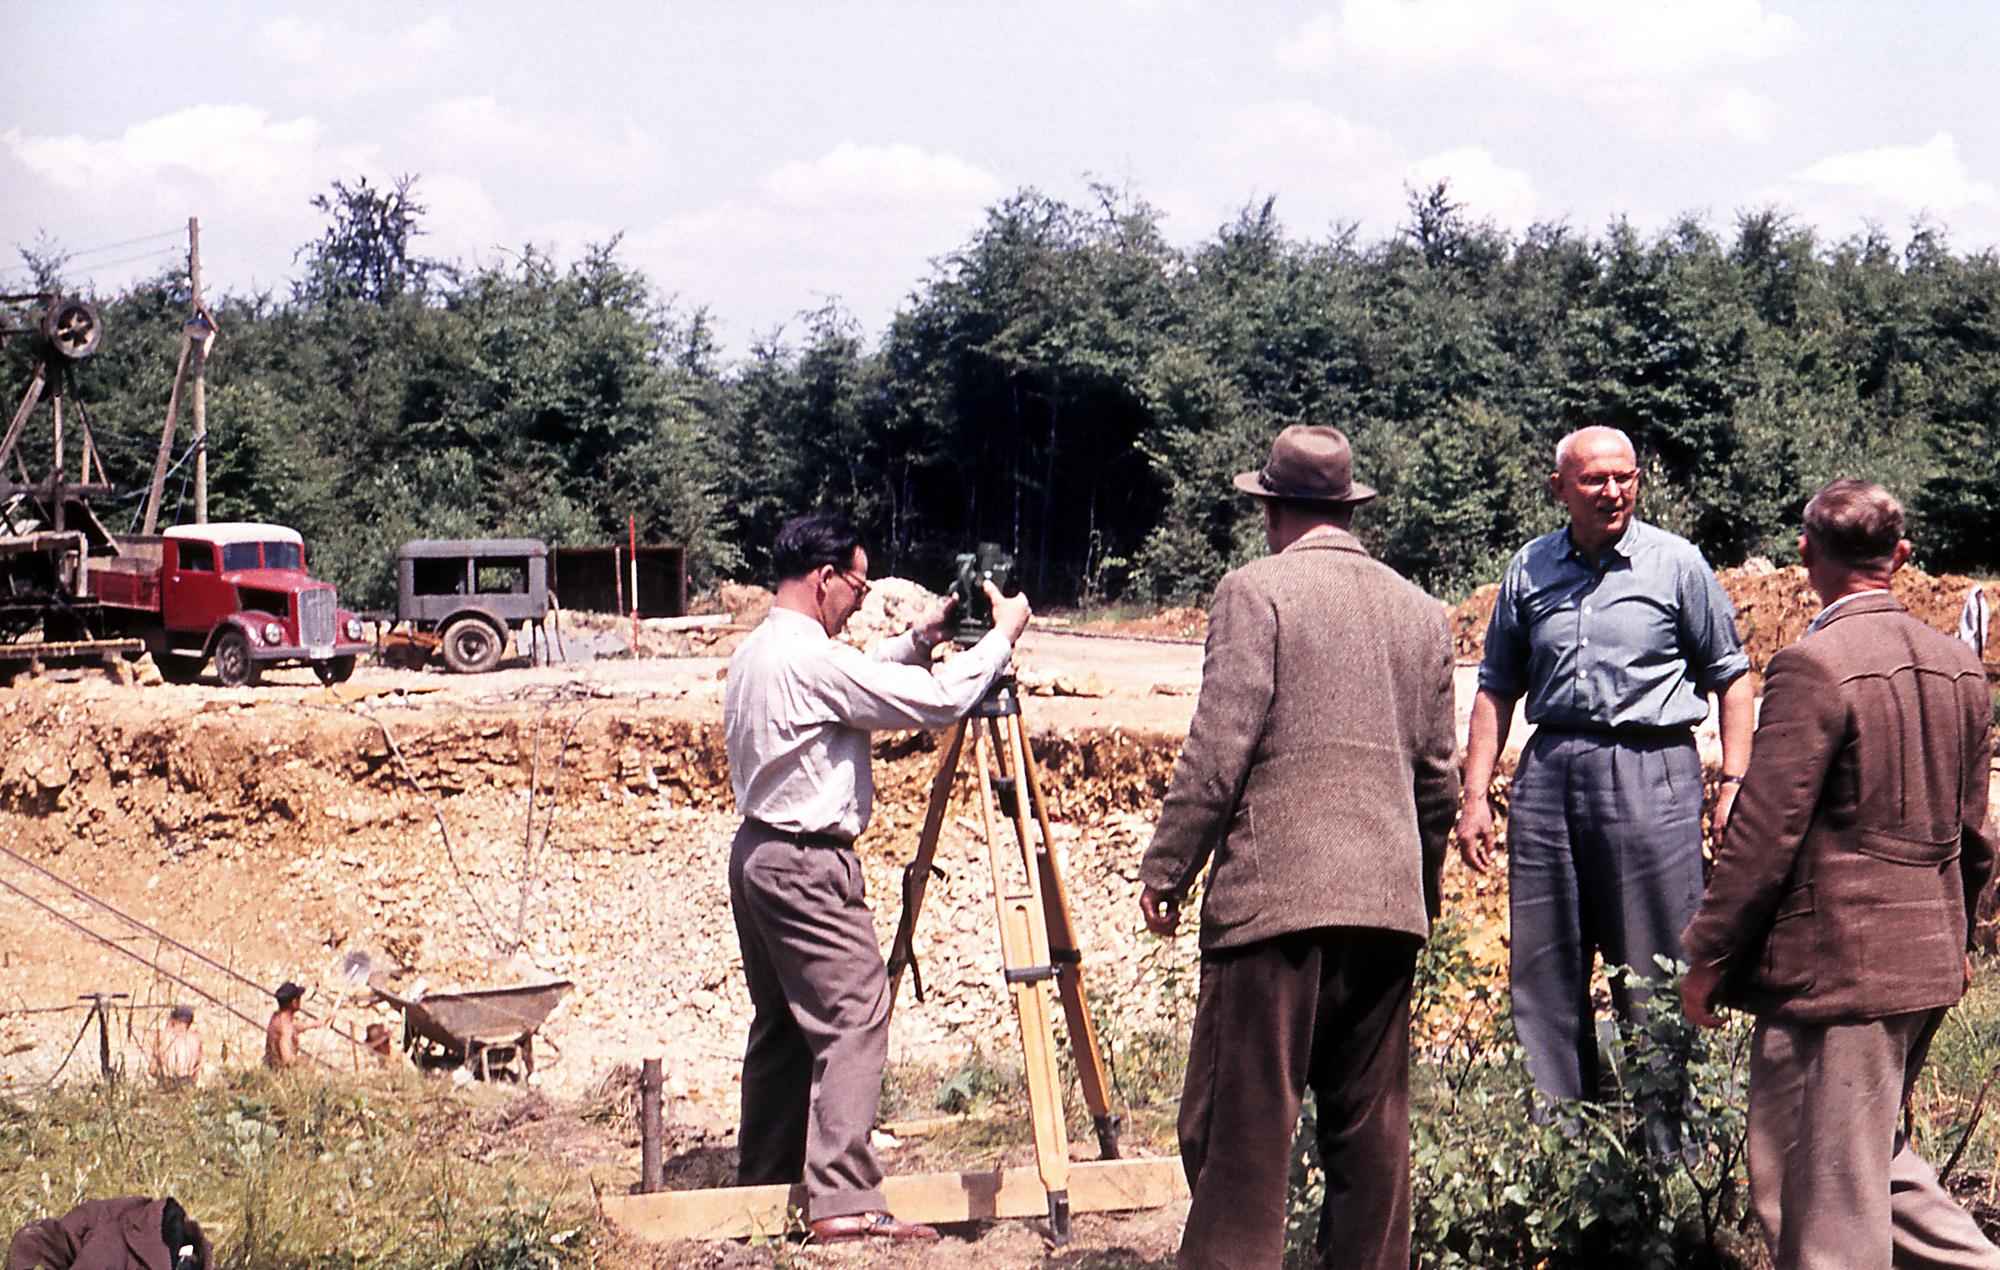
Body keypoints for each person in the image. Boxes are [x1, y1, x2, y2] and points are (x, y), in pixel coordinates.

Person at [1138, 425, 1459, 1269]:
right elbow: (1438, 782)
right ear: (1350, 510)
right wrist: (1415, 891)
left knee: (1240, 1136)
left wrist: (1169, 868)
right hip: (1387, 908)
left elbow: (1219, 750)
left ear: (1272, 511)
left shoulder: (1255, 592)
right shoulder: (1422, 612)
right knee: (1372, 1139)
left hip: (1274, 908)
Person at [1682, 479, 1999, 1269]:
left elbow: (1762, 834)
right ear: (1900, 556)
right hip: (1922, 961)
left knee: (1811, 1198)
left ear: (1805, 554)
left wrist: (1708, 956)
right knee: (1867, 1168)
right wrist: (1957, 938)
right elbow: (1977, 833)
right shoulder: (1959, 666)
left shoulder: (1812, 666)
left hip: (1836, 974)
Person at [724, 512, 1030, 1245]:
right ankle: (844, 1201)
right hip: (805, 863)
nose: (862, 599)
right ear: (824, 578)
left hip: (759, 855)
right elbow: (933, 703)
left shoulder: (760, 650)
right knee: (856, 1014)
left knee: (784, 1028)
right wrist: (1000, 638)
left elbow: (854, 680)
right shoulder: (812, 659)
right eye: (857, 585)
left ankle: (765, 1182)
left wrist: (921, 639)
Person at [1456, 424, 1753, 1103]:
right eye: (1594, 479)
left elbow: (1733, 679)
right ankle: (1561, 1155)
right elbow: (1496, 687)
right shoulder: (1528, 569)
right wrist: (1475, 795)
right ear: (1560, 487)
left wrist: (1734, 783)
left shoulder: (1677, 565)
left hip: (1652, 774)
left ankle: (1670, 1160)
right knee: (1545, 970)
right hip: (1550, 774)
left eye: (1625, 477)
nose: (1613, 491)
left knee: (1654, 967)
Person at [263, 981, 321, 1069]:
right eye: (298, 998)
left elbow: (294, 1028)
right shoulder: (285, 1026)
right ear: (294, 1002)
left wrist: (318, 1023)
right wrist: (304, 1065)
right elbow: (287, 1058)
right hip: (280, 1074)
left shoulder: (277, 1018)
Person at [147, 1004, 202, 1088]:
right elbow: (196, 1072)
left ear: (173, 1020)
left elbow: (152, 1069)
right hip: (188, 1085)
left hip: (167, 1084)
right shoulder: (196, 1039)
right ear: (190, 1022)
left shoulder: (162, 1036)